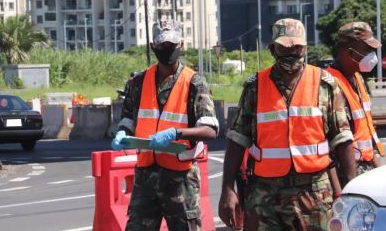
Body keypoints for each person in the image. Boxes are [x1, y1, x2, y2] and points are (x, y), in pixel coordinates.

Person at [218, 18, 357, 231]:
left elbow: (343, 139)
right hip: (264, 195)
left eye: (297, 47)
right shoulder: (255, 87)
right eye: (284, 48)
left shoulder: (325, 84)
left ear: (305, 47)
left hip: (313, 193)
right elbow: (237, 140)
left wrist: (351, 191)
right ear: (273, 49)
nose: (291, 53)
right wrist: (228, 189)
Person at [111, 19, 219, 231]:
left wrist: (176, 133)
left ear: (181, 45)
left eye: (172, 45)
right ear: (153, 46)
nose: (167, 50)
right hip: (145, 177)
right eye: (162, 45)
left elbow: (210, 129)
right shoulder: (138, 83)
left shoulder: (194, 82)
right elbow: (128, 120)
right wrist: (122, 134)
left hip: (181, 178)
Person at [326, 21, 385, 187]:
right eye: (367, 49)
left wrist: (377, 169)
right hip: (345, 173)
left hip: (364, 168)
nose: (372, 55)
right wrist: (344, 188)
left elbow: (366, 131)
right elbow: (330, 141)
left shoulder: (358, 78)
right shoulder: (330, 84)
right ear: (348, 50)